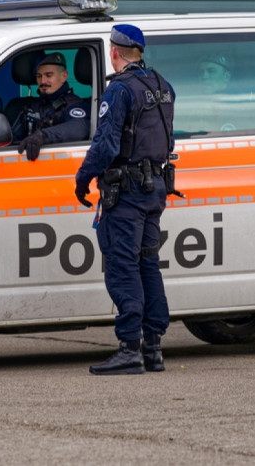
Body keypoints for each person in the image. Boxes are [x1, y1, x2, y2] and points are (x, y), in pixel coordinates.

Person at [75, 24, 176, 375]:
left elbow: (106, 146)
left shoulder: (119, 91)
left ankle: (129, 348)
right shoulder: (163, 86)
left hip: (128, 192)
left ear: (114, 52)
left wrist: (83, 177)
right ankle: (153, 348)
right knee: (148, 263)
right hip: (155, 188)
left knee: (123, 264)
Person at [12, 52, 89, 160]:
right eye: (39, 76)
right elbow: (12, 140)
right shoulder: (31, 106)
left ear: (64, 76)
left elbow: (80, 127)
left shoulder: (74, 105)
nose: (43, 81)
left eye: (49, 75)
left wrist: (43, 136)